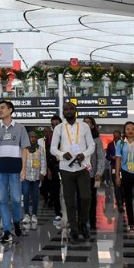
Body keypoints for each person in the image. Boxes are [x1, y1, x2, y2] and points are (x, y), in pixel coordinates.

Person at [50, 102, 95, 242]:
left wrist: (84, 153)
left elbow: (92, 145)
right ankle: (74, 229)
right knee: (70, 201)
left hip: (82, 167)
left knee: (86, 197)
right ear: (63, 112)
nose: (69, 111)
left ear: (76, 111)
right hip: (66, 168)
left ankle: (83, 223)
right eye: (66, 109)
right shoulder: (59, 128)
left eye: (71, 108)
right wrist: (63, 154)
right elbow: (52, 148)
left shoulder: (84, 126)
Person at [0, 100, 29, 244]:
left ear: (10, 110)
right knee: (3, 199)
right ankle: (6, 230)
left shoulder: (20, 128)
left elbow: (24, 149)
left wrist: (23, 168)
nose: (0, 110)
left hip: (15, 168)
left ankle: (16, 220)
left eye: (3, 108)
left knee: (17, 198)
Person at [82, 116, 106, 231]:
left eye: (89, 122)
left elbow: (100, 157)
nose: (86, 124)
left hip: (92, 174)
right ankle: (81, 222)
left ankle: (92, 222)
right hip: (80, 173)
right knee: (81, 198)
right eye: (84, 122)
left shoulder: (96, 140)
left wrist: (99, 173)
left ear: (92, 125)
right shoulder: (79, 138)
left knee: (91, 198)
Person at [22, 131, 47, 228]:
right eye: (31, 137)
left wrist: (43, 173)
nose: (33, 139)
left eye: (35, 137)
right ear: (28, 138)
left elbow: (43, 161)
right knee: (26, 194)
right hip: (26, 176)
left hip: (36, 176)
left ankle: (34, 215)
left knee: (35, 196)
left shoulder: (40, 149)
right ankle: (27, 214)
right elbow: (21, 161)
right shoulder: (24, 149)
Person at [45, 115, 63, 225]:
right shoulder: (50, 138)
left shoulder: (66, 135)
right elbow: (48, 154)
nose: (55, 126)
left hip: (66, 167)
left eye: (56, 124)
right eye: (53, 125)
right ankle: (57, 213)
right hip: (53, 167)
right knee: (55, 192)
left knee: (67, 192)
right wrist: (48, 169)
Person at [106, 130, 124, 212]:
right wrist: (112, 157)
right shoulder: (110, 145)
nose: (116, 138)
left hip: (123, 167)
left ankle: (122, 201)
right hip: (114, 167)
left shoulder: (124, 144)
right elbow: (107, 156)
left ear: (120, 136)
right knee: (116, 186)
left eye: (118, 137)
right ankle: (119, 203)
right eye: (115, 137)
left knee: (123, 186)